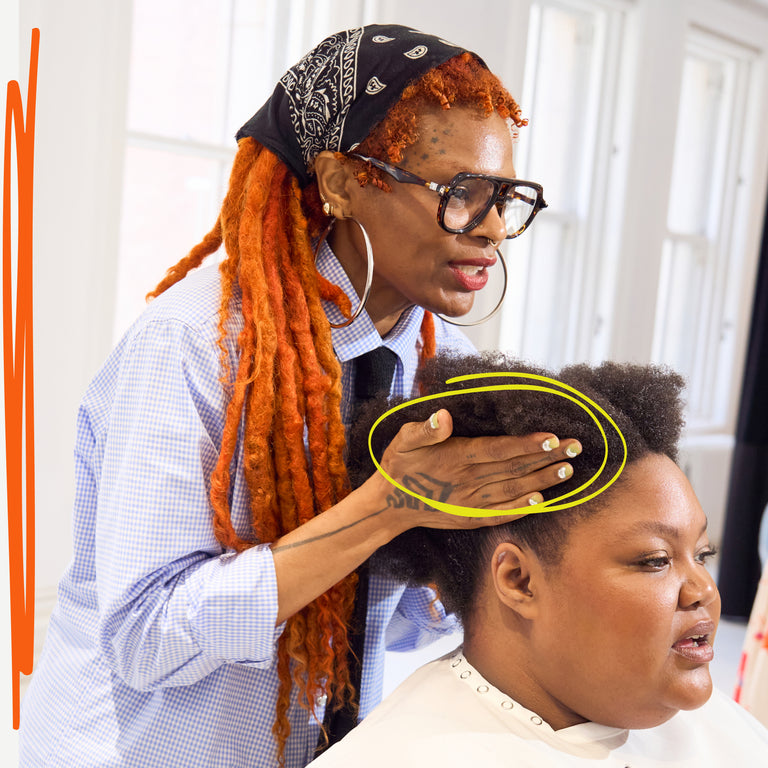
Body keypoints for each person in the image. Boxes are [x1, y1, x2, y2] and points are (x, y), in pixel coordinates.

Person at [19, 24, 580, 768]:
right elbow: (145, 636)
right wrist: (386, 507)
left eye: (505, 196)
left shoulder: (448, 366)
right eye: (460, 193)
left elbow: (400, 622)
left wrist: (478, 546)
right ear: (344, 182)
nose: (495, 228)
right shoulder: (192, 346)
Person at [309, 352, 768, 766]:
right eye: (655, 560)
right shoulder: (398, 755)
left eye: (702, 554)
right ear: (519, 579)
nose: (705, 590)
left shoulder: (720, 736)